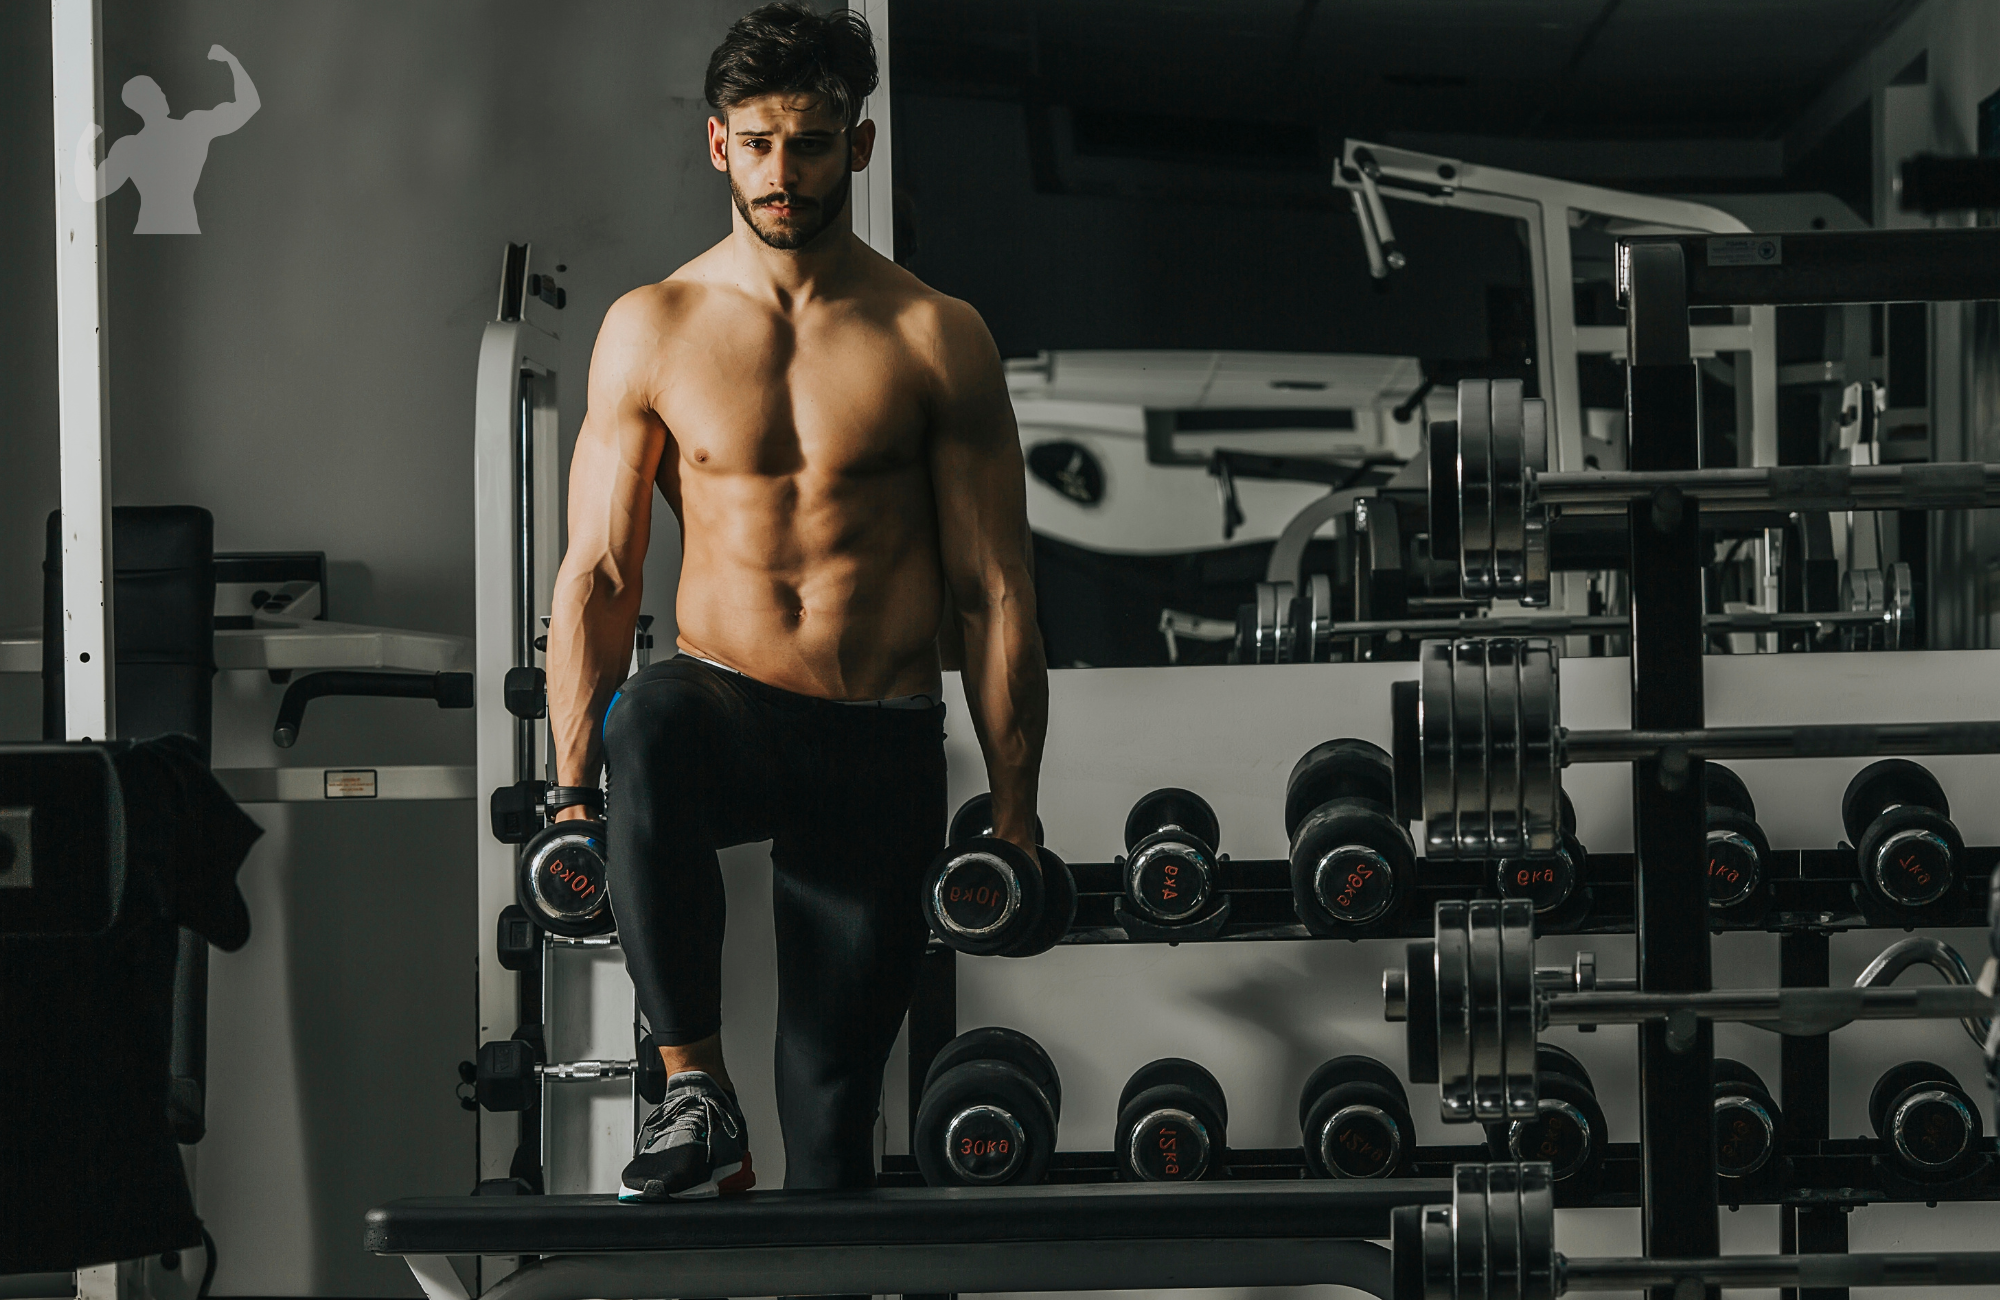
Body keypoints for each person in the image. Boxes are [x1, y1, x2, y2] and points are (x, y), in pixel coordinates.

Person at [544, 2, 1047, 1204]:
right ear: (718, 145)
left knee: (830, 1135)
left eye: (810, 144)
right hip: (726, 708)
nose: (783, 173)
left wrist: (1015, 813)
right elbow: (602, 577)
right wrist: (568, 798)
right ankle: (692, 1086)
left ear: (857, 147)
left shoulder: (937, 337)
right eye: (758, 144)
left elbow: (992, 591)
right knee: (647, 726)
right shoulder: (650, 329)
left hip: (873, 736)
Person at [78, 45, 260, 235]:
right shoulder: (192, 127)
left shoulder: (131, 147)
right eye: (157, 92)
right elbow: (249, 105)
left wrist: (83, 145)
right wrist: (232, 61)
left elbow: (89, 190)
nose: (163, 95)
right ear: (146, 103)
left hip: (151, 230)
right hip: (184, 229)